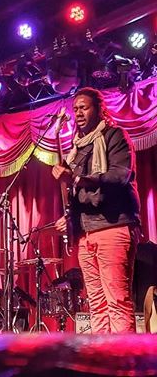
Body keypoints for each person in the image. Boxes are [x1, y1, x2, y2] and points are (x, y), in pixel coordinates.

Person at [52, 87, 141, 333]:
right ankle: (103, 361)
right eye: (76, 108)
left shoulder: (115, 136)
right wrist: (68, 217)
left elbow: (119, 177)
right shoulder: (76, 148)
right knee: (96, 304)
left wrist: (77, 179)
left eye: (84, 107)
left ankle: (123, 363)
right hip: (85, 232)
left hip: (114, 225)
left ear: (99, 109)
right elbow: (76, 195)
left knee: (117, 301)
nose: (78, 112)